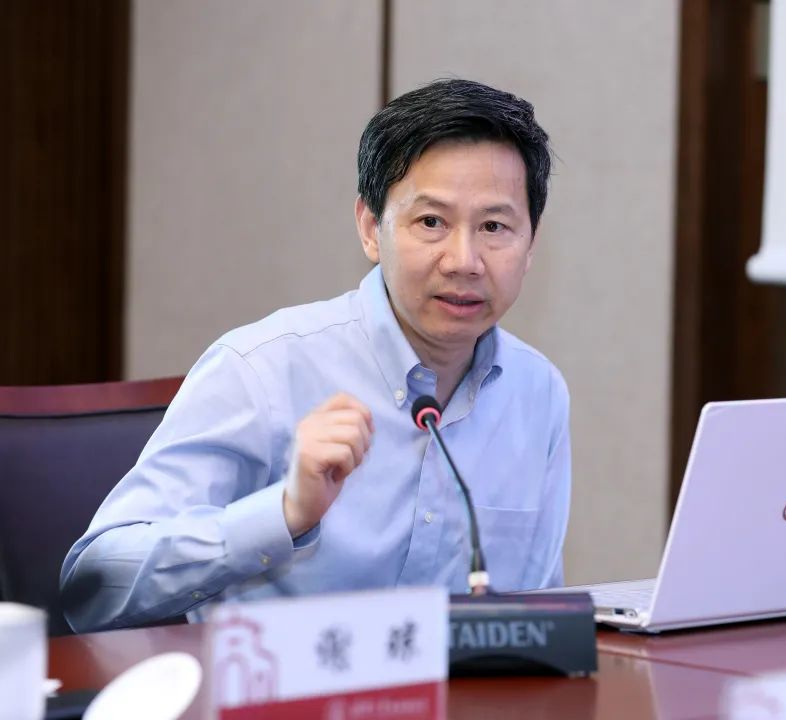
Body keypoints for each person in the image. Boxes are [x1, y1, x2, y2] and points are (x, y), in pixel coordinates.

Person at [60, 79, 571, 633]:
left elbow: (534, 614)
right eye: (431, 222)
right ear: (371, 229)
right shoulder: (262, 369)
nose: (463, 260)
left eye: (494, 226)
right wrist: (283, 513)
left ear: (530, 243)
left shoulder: (537, 392)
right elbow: (94, 587)